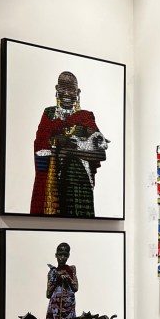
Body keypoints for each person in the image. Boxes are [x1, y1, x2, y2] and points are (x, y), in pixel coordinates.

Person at [30, 71, 109, 217]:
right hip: (53, 184)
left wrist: (71, 151)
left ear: (77, 92)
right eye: (63, 88)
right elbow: (40, 148)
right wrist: (57, 145)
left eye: (71, 89)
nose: (66, 93)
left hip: (80, 187)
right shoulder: (49, 114)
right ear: (57, 89)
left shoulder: (85, 117)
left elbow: (100, 153)